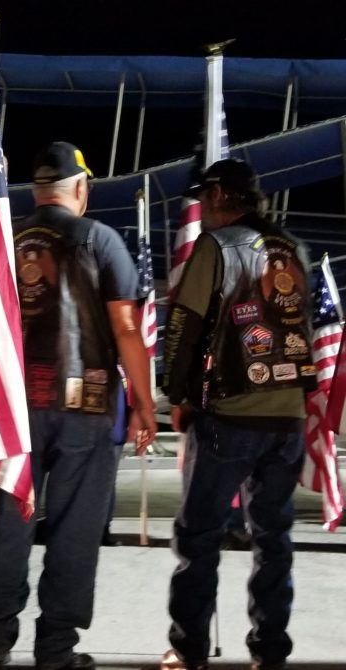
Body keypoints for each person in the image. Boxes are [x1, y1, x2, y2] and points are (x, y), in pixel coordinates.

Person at [0, 142, 156, 670]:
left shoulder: (3, 243)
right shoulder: (100, 240)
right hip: (88, 403)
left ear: (37, 191)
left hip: (15, 405)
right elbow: (125, 327)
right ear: (80, 189)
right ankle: (55, 649)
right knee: (76, 529)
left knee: (9, 520)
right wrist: (144, 403)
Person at [159, 159, 314, 670]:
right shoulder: (293, 251)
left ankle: (189, 651)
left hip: (230, 412)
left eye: (205, 197)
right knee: (273, 536)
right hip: (287, 415)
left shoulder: (217, 247)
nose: (200, 208)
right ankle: (270, 651)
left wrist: (176, 393)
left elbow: (185, 324)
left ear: (222, 194)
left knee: (199, 537)